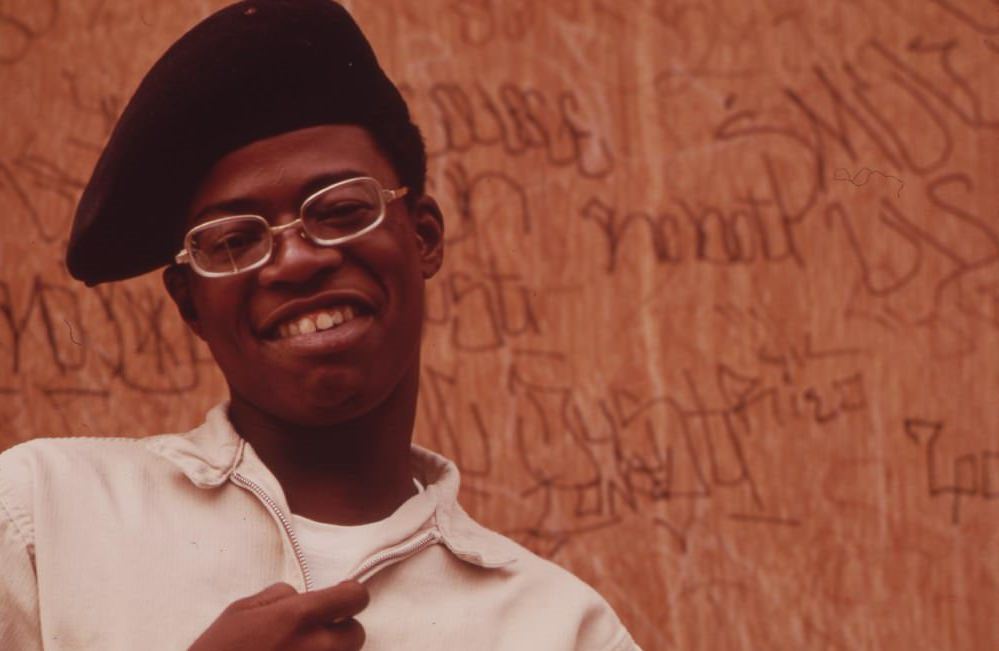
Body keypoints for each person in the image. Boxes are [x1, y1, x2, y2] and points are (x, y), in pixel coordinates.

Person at [0, 1, 639, 649]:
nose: (298, 259)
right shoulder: (42, 517)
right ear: (190, 301)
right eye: (233, 240)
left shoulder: (560, 628)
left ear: (422, 237)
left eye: (339, 209)